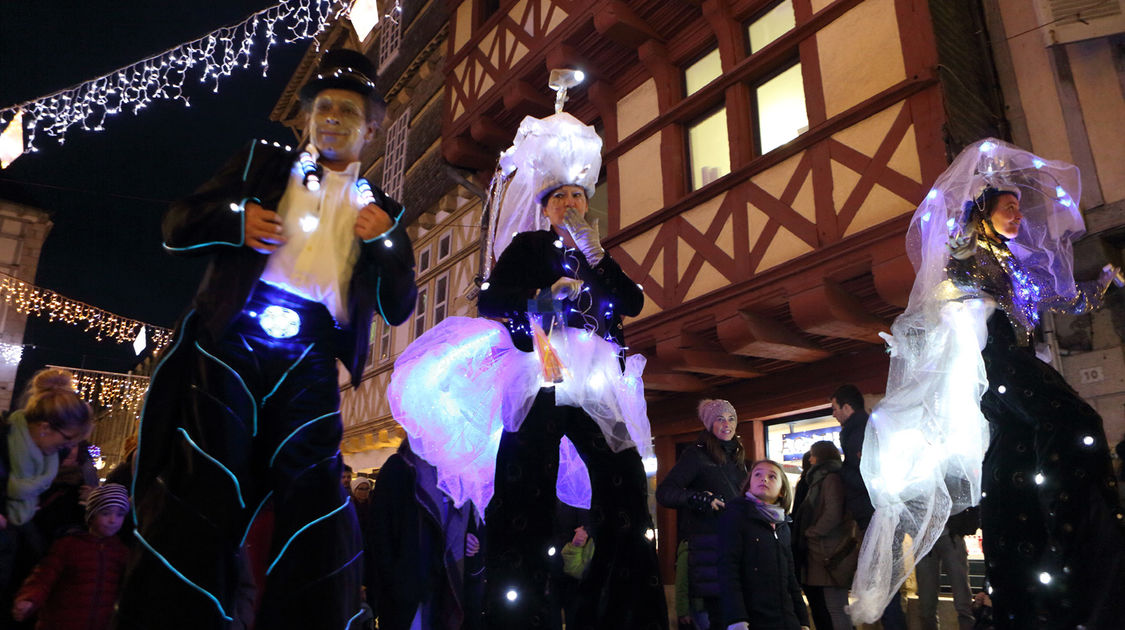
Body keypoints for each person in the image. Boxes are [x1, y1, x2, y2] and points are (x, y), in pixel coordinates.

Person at [115, 48, 417, 630]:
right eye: (321, 107)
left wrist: (386, 243)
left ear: (372, 126)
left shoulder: (383, 209)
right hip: (235, 338)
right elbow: (177, 223)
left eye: (346, 111)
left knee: (314, 501)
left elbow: (399, 306)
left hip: (311, 354)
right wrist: (235, 220)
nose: (330, 118)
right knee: (206, 482)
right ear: (306, 116)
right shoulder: (262, 164)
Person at [387, 106, 664, 629]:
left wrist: (598, 257)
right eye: (559, 196)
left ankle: (618, 611)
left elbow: (631, 303)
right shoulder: (529, 246)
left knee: (624, 486)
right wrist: (541, 300)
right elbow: (494, 302)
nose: (570, 202)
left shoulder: (598, 255)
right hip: (539, 377)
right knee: (524, 494)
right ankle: (520, 612)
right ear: (544, 205)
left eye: (577, 195)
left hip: (597, 386)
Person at [849, 139, 1125, 628]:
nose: (1017, 216)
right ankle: (1075, 544)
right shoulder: (971, 254)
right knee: (1072, 421)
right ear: (985, 213)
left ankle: (1038, 576)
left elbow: (1066, 301)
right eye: (1007, 207)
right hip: (998, 364)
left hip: (1017, 364)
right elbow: (941, 297)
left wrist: (1105, 281)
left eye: (1019, 209)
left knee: (1013, 469)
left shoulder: (1018, 265)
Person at [0, 369, 93, 625]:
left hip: (24, 550)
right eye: (67, 440)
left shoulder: (54, 456)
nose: (69, 448)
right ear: (44, 428)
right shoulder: (5, 435)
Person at [365, 439, 483, 630]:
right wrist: (394, 581)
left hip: (447, 580)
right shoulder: (399, 467)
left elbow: (458, 521)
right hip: (410, 581)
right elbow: (380, 532)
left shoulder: (454, 471)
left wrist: (467, 538)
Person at [656, 399, 747, 628]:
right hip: (710, 548)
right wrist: (699, 499)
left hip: (737, 546)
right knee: (720, 617)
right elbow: (665, 493)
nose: (727, 424)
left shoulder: (738, 456)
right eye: (720, 419)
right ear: (709, 424)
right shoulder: (695, 455)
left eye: (731, 418)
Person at [831, 384, 906, 629]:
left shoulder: (860, 431)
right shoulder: (862, 429)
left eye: (834, 408)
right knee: (883, 583)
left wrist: (842, 471)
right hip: (876, 516)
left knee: (883, 583)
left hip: (876, 516)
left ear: (847, 407)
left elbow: (869, 477)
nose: (833, 414)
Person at [11, 483, 130, 630]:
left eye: (120, 514)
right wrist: (29, 598)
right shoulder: (69, 545)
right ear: (91, 516)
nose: (113, 520)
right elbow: (45, 575)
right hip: (60, 623)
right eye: (106, 513)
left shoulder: (121, 551)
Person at [718, 459, 810, 630]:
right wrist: (736, 618)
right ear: (749, 484)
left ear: (782, 490)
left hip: (786, 619)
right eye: (757, 474)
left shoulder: (783, 525)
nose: (764, 479)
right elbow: (728, 569)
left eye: (772, 476)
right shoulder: (735, 516)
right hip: (753, 619)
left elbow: (790, 576)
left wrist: (803, 620)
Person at [794, 441, 855, 630]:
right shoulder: (823, 477)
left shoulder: (830, 477)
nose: (810, 458)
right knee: (834, 607)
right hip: (824, 550)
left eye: (812, 454)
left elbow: (833, 513)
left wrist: (812, 532)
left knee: (836, 607)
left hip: (829, 551)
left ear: (821, 455)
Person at [914, 506, 978, 630]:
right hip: (925, 535)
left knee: (963, 600)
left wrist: (968, 524)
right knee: (926, 604)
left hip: (951, 532)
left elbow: (966, 493)